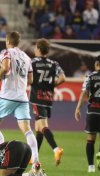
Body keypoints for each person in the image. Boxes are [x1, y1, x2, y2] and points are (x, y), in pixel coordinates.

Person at [0, 31, 41, 171]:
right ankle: (35, 160)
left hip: (7, 95)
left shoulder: (5, 52)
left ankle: (3, 153)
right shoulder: (27, 57)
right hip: (22, 97)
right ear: (18, 42)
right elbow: (31, 80)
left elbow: (5, 68)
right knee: (27, 130)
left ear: (7, 40)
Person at [30, 38, 66, 166]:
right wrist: (51, 85)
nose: (34, 50)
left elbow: (29, 78)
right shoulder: (54, 63)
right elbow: (63, 78)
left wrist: (34, 83)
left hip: (36, 97)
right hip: (48, 97)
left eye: (35, 48)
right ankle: (34, 157)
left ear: (39, 49)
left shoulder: (32, 62)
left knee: (42, 126)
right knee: (38, 129)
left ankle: (56, 149)